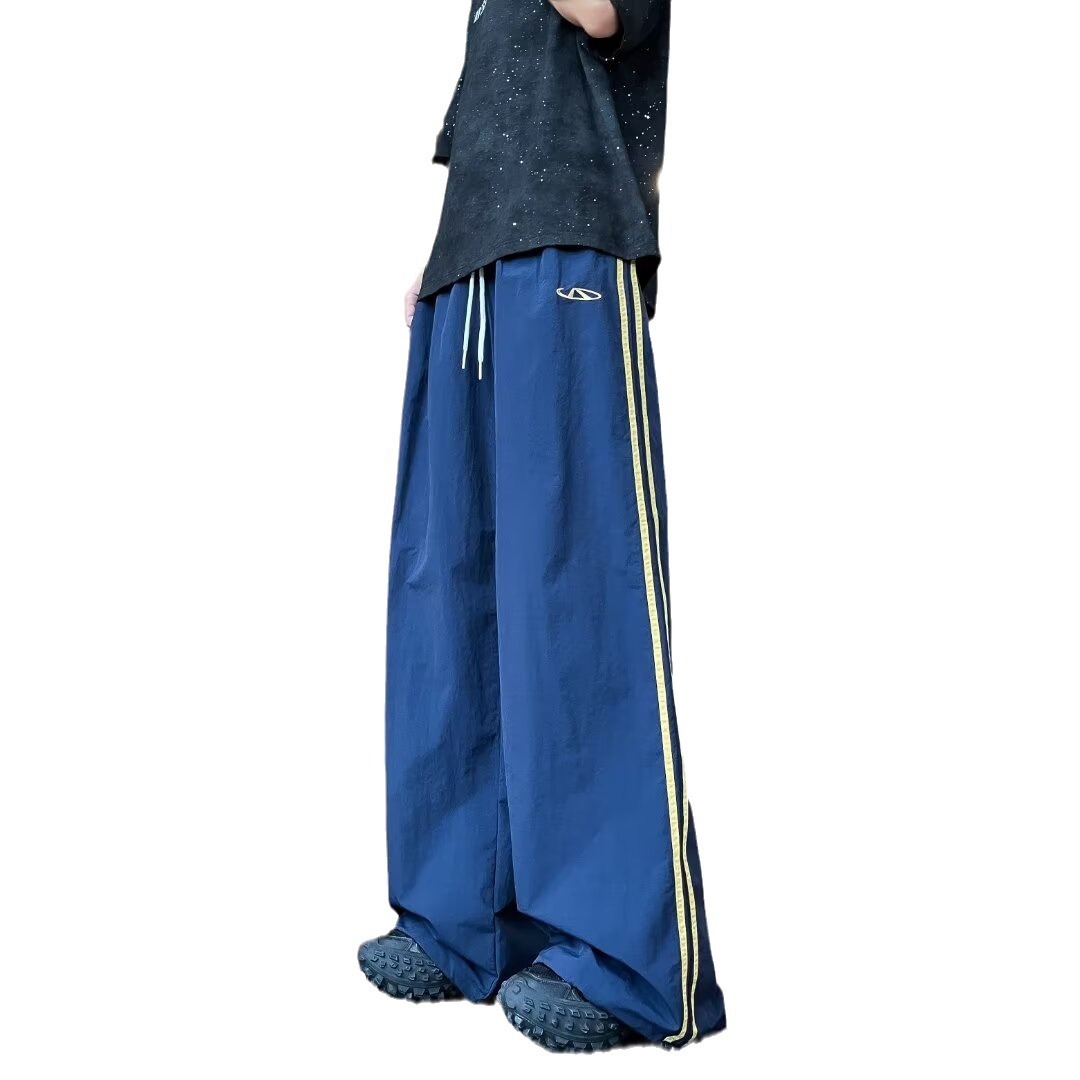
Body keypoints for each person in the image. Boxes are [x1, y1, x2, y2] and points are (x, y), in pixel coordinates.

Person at [358, 0, 726, 1052]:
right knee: (449, 591)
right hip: (471, 275)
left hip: (571, 254)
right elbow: (489, 125)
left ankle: (624, 960)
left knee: (573, 592)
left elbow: (606, 15)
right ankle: (464, 917)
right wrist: (444, 259)